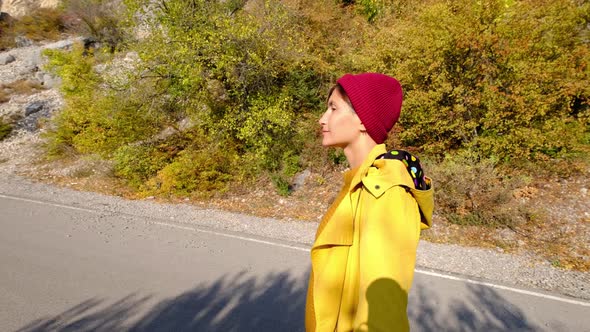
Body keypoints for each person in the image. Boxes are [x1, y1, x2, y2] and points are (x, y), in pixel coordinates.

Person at [305, 73, 434, 332]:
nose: (322, 119)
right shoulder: (359, 183)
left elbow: (382, 307)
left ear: (363, 120)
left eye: (333, 108)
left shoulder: (385, 191)